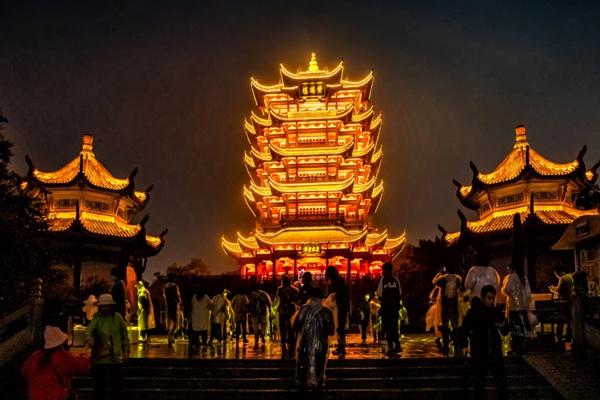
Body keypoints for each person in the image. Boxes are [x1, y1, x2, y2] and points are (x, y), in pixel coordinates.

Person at [461, 285, 508, 400]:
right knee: (480, 382)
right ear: (483, 297)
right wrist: (464, 345)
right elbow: (465, 329)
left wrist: (501, 325)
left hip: (493, 351)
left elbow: (505, 330)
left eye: (493, 298)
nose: (491, 301)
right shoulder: (474, 312)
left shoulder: (495, 312)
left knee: (500, 381)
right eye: (489, 298)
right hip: (480, 352)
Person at [22, 326, 90, 400]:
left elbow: (24, 371)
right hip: (56, 396)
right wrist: (84, 357)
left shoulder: (35, 357)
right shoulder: (61, 357)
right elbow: (81, 367)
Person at [86, 293, 129, 400]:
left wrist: (126, 350)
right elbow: (89, 331)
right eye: (103, 306)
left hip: (115, 358)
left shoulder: (118, 318)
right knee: (100, 387)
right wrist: (89, 339)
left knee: (117, 387)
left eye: (107, 305)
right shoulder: (97, 319)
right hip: (100, 358)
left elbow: (124, 335)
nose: (105, 308)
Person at [293, 288, 335, 391]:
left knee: (304, 366)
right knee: (319, 367)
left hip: (305, 344)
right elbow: (331, 330)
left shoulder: (304, 309)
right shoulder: (327, 311)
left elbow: (296, 325)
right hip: (321, 345)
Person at [501, 262, 532, 356]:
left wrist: (503, 289)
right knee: (522, 327)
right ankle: (521, 348)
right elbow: (528, 293)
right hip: (523, 307)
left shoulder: (511, 277)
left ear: (512, 268)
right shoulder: (524, 278)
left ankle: (515, 348)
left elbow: (506, 290)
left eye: (508, 269)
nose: (508, 271)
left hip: (514, 306)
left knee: (514, 328)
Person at [432, 266, 462, 355]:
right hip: (454, 304)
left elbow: (434, 282)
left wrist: (439, 273)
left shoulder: (443, 278)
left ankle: (446, 347)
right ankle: (457, 347)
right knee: (455, 326)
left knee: (445, 326)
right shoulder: (458, 278)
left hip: (445, 304)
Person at [376, 262, 402, 355]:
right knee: (394, 326)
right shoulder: (396, 280)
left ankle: (390, 345)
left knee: (387, 327)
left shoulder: (383, 280)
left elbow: (379, 293)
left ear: (384, 270)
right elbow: (399, 293)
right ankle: (397, 345)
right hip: (394, 307)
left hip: (386, 308)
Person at [325, 266, 349, 356]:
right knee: (340, 328)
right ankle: (341, 347)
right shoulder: (340, 280)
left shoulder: (336, 281)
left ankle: (341, 348)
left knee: (340, 328)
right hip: (343, 307)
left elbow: (334, 294)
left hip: (340, 307)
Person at [276, 275, 299, 353]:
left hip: (282, 309)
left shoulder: (279, 289)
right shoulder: (295, 290)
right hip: (291, 310)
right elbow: (297, 300)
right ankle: (291, 340)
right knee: (291, 326)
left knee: (282, 326)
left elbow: (277, 298)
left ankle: (283, 340)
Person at [550, 271, 574, 344]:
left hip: (563, 303)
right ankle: (568, 337)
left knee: (560, 320)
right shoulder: (571, 277)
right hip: (571, 302)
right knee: (570, 321)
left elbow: (559, 290)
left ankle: (559, 337)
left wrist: (552, 288)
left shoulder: (563, 279)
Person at [249, 284, 272, 349]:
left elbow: (250, 304)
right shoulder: (264, 294)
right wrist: (270, 311)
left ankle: (256, 339)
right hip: (263, 313)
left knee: (255, 327)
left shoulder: (252, 295)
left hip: (254, 313)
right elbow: (269, 303)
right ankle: (262, 335)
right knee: (263, 325)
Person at [163, 272, 181, 346]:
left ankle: (171, 336)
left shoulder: (166, 287)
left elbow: (164, 297)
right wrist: (179, 301)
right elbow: (177, 296)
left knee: (170, 322)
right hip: (174, 305)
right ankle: (171, 335)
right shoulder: (174, 286)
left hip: (168, 306)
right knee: (176, 322)